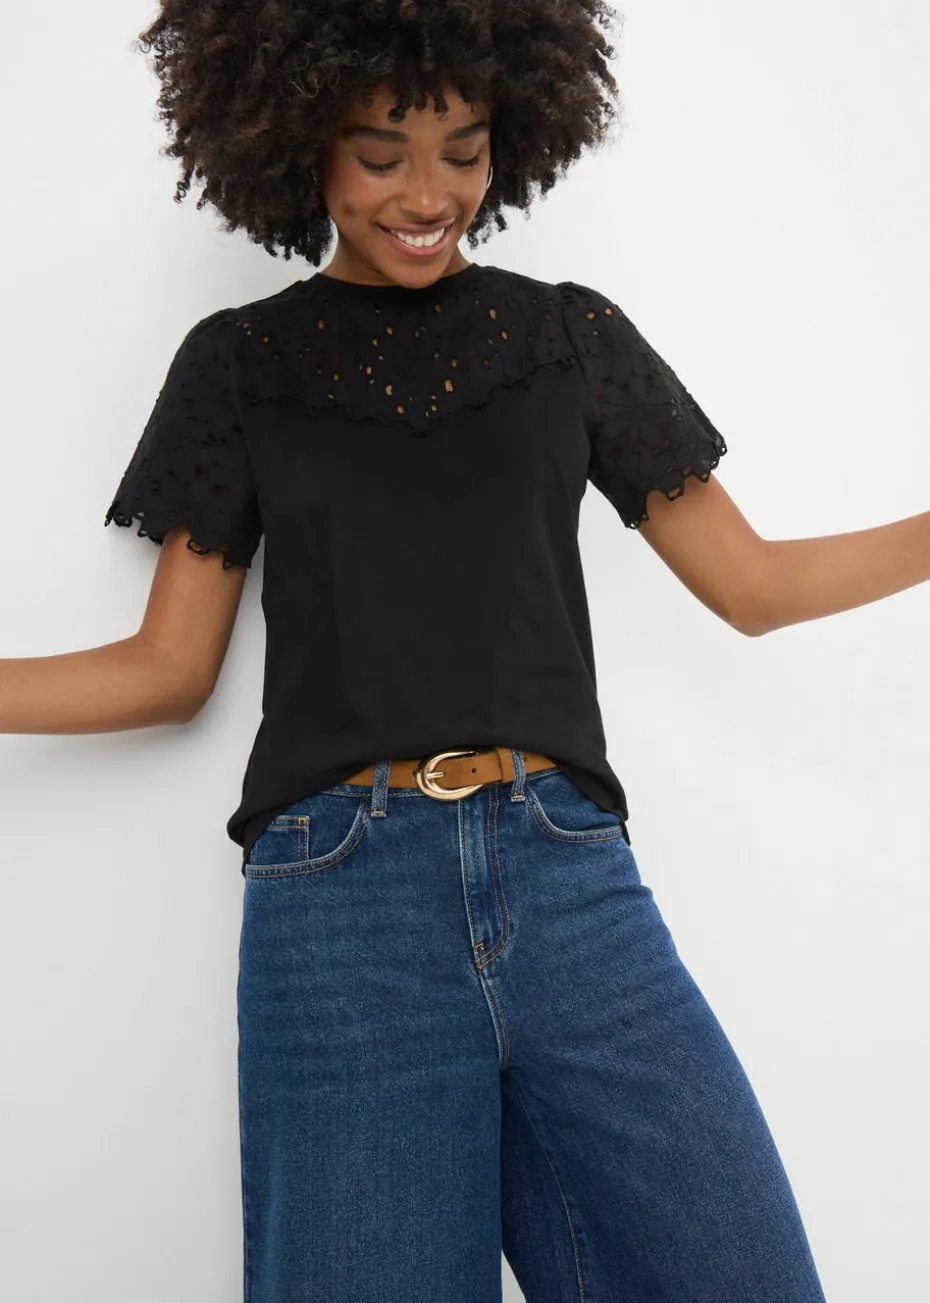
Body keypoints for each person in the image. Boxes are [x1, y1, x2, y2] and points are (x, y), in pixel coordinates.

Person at [6, 3, 930, 1300]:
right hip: (342, 909)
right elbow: (167, 667)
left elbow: (753, 584)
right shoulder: (241, 365)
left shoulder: (567, 339)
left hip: (570, 881)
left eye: (463, 148)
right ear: (300, 142)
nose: (428, 193)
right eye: (380, 153)